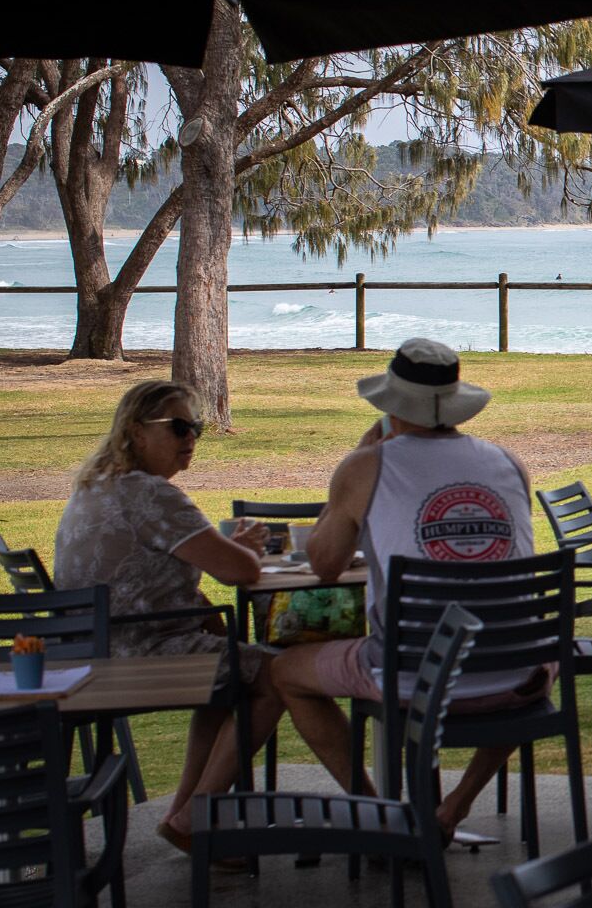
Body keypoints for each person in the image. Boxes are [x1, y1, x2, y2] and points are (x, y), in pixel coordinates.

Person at [269, 338, 541, 843]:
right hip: (516, 674)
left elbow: (325, 565)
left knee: (283, 672)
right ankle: (452, 808)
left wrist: (355, 458)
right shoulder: (510, 463)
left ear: (390, 405)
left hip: (411, 678)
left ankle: (377, 811)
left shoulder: (367, 466)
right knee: (543, 659)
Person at [53, 380, 285, 854]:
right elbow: (240, 572)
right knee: (276, 675)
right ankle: (195, 817)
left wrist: (222, 551)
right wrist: (237, 552)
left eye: (195, 427)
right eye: (178, 427)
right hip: (136, 654)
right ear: (137, 433)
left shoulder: (98, 485)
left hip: (91, 649)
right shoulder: (149, 494)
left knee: (230, 672)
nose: (191, 438)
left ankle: (184, 811)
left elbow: (148, 566)